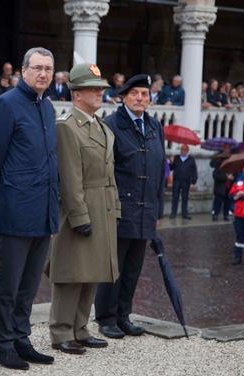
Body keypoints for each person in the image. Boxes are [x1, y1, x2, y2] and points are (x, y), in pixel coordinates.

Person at [0, 47, 58, 371]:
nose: (43, 74)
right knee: (9, 286)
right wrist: (4, 197)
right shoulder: (6, 104)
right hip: (16, 209)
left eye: (49, 69)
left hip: (44, 211)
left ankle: (21, 338)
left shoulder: (48, 107)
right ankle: (3, 344)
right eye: (37, 68)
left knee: (29, 286)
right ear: (23, 71)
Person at [48, 63, 119, 355]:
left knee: (92, 271)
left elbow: (109, 173)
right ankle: (61, 331)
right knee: (71, 272)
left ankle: (80, 328)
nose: (99, 93)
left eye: (101, 88)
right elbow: (70, 177)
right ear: (76, 93)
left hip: (101, 207)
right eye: (93, 89)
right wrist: (78, 215)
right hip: (80, 207)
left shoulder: (100, 126)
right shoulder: (67, 127)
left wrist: (114, 207)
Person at [94, 74, 166, 339]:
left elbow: (160, 169)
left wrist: (159, 209)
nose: (140, 98)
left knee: (134, 267)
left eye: (144, 94)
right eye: (134, 93)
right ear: (123, 97)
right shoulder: (112, 125)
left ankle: (124, 315)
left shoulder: (155, 126)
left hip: (146, 209)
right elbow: (104, 171)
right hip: (119, 208)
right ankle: (106, 317)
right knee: (114, 267)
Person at [229, 161, 244, 266]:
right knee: (239, 237)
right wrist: (237, 195)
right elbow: (231, 195)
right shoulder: (238, 181)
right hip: (239, 213)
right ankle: (237, 257)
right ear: (243, 170)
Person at [169, 144, 197, 219]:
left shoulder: (191, 159)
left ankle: (184, 214)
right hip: (177, 180)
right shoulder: (176, 158)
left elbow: (194, 171)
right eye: (182, 149)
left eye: (185, 150)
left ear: (187, 151)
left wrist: (193, 182)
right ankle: (173, 213)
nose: (183, 151)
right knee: (175, 197)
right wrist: (171, 162)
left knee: (185, 197)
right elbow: (171, 168)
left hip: (186, 181)